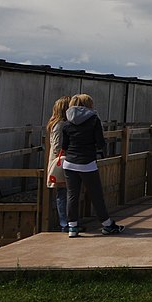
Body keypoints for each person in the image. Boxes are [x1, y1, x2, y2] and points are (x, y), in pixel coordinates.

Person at [60, 94, 124, 237]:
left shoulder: (67, 121)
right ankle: (107, 225)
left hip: (69, 163)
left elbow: (64, 145)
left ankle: (72, 227)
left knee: (72, 195)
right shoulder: (94, 120)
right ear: (88, 105)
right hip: (87, 163)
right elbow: (100, 142)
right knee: (96, 195)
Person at [45, 95, 72, 231]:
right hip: (61, 162)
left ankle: (67, 223)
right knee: (63, 193)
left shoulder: (57, 124)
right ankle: (64, 223)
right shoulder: (60, 125)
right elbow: (57, 147)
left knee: (65, 193)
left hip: (59, 161)